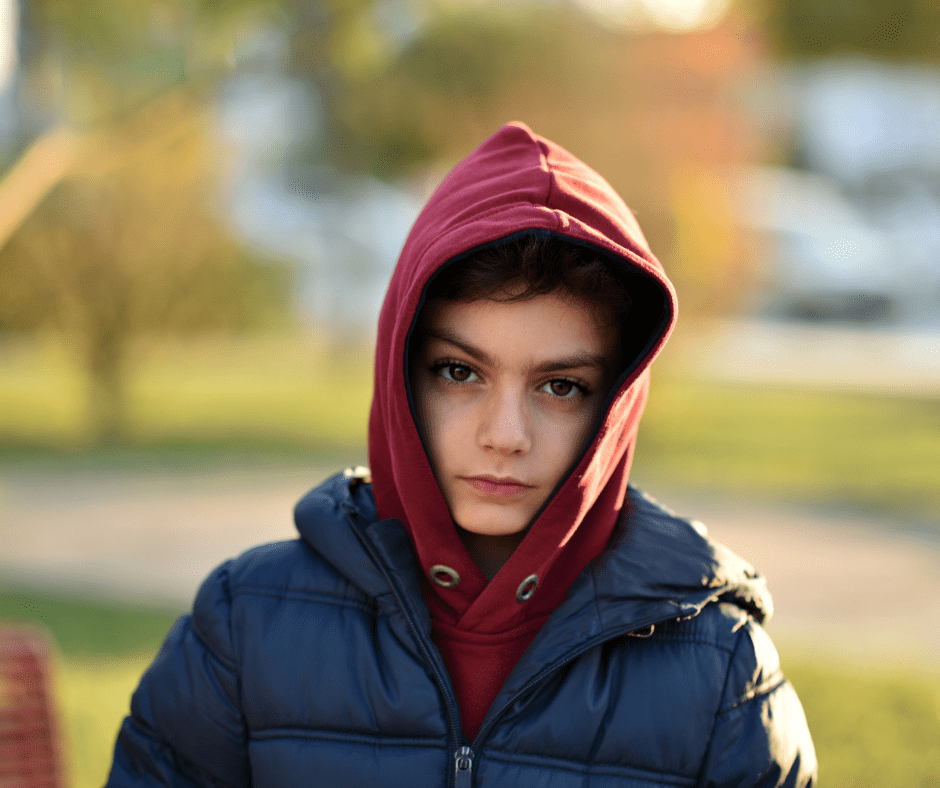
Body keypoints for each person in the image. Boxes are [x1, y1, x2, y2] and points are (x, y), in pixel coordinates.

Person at [106, 122, 816, 787]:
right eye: (459, 372)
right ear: (399, 373)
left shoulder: (724, 672)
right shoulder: (244, 627)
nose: (505, 434)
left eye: (561, 386)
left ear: (616, 403)